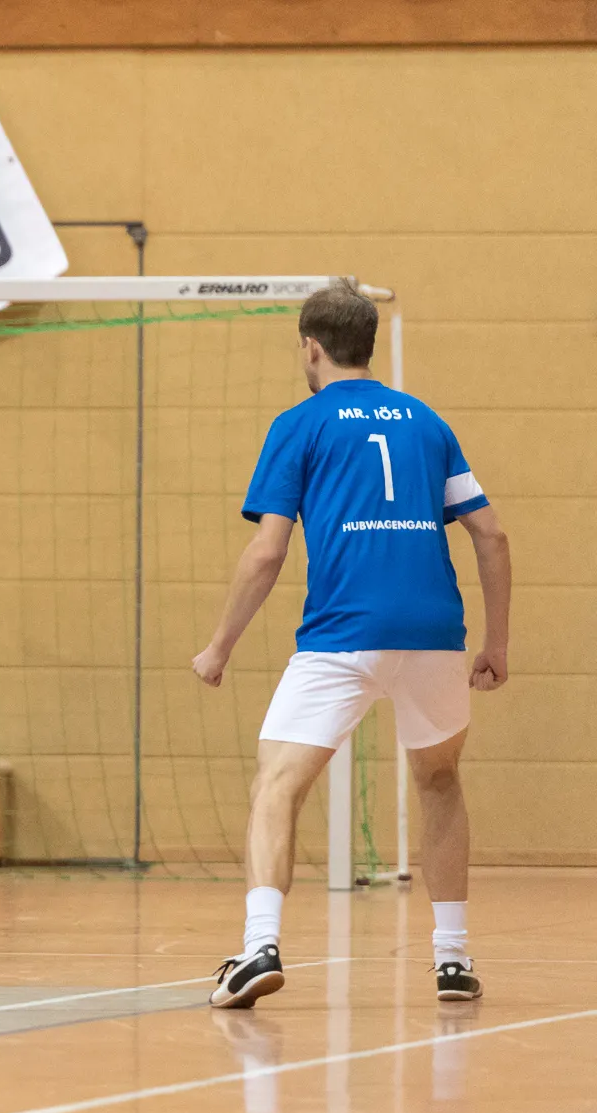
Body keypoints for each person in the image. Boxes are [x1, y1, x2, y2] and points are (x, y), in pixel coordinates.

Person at [192, 279, 511, 1008]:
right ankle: (453, 959)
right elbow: (490, 535)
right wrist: (496, 642)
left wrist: (219, 647)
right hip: (435, 633)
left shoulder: (300, 424)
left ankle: (260, 947)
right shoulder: (427, 422)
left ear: (312, 347)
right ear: (367, 344)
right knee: (439, 782)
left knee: (277, 784)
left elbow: (267, 553)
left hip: (343, 634)